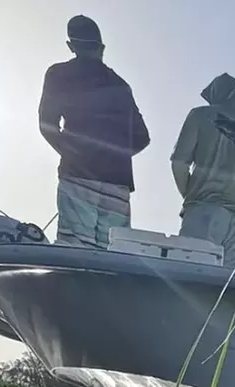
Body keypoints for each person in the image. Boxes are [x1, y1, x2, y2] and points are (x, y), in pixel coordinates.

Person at [38, 15, 150, 250]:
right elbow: (143, 137)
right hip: (117, 186)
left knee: (75, 253)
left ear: (71, 46)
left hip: (78, 177)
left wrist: (74, 155)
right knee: (111, 258)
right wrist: (115, 155)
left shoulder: (59, 74)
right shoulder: (120, 85)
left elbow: (47, 124)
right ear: (101, 47)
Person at [170, 73, 235, 269]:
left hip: (203, 211)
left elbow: (179, 164)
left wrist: (191, 196)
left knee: (190, 281)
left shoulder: (200, 115)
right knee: (229, 295)